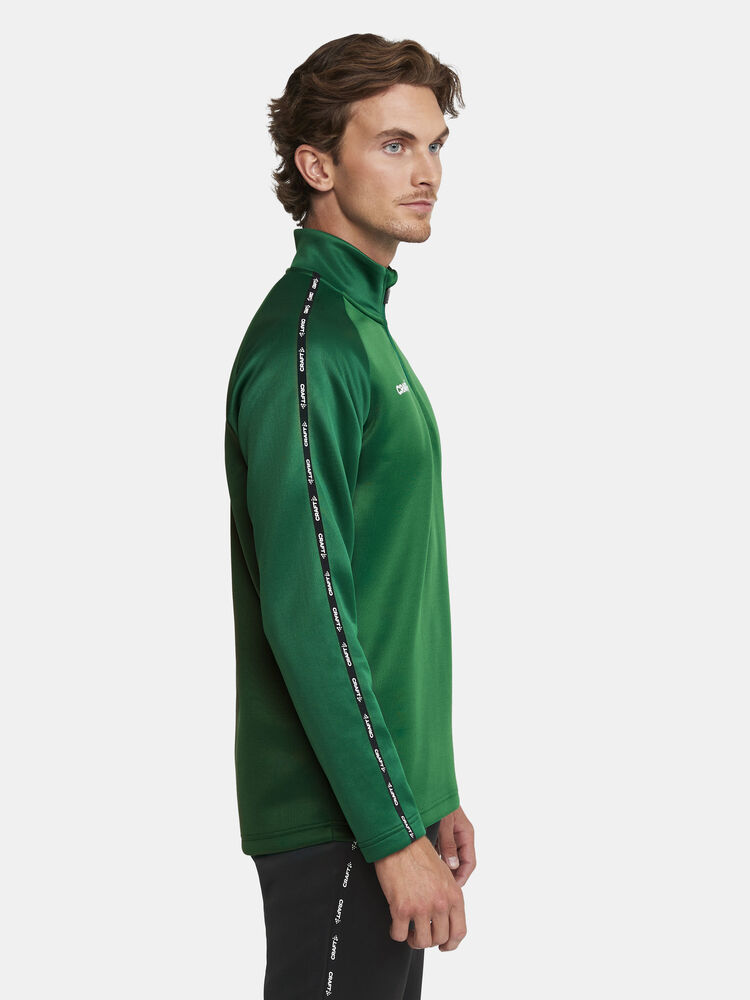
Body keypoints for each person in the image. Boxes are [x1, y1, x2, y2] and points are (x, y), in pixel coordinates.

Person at [224, 32, 476, 1000]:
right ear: (317, 165)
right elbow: (310, 611)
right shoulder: (311, 343)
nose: (427, 172)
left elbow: (389, 584)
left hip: (381, 804)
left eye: (435, 144)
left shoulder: (361, 328)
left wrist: (430, 788)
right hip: (340, 818)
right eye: (395, 144)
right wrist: (387, 831)